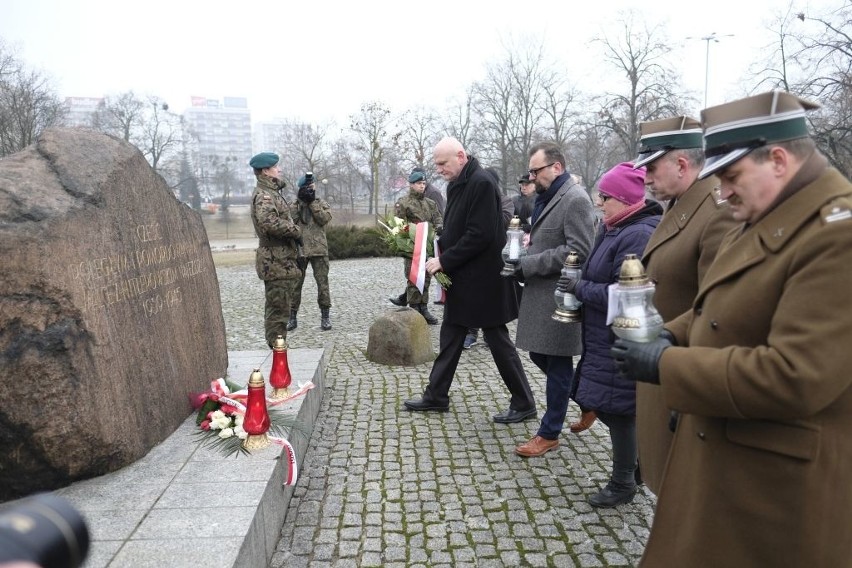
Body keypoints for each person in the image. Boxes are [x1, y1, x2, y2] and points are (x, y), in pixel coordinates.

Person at [611, 90, 852, 566]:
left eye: (731, 175)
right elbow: (718, 307)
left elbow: (796, 375)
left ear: (778, 160)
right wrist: (672, 334)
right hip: (734, 456)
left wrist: (667, 364)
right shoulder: (772, 212)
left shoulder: (836, 234)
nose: (722, 192)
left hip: (778, 488)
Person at [632, 115, 736, 495]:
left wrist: (688, 388)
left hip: (679, 375)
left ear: (681, 163)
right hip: (661, 368)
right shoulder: (680, 205)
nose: (644, 177)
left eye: (652, 167)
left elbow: (716, 313)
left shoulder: (715, 211)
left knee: (684, 494)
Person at [404, 137, 536, 423]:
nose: (438, 169)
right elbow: (458, 227)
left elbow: (481, 234)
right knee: (451, 335)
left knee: (497, 339)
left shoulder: (481, 183)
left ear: (461, 156)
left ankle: (524, 401)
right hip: (466, 278)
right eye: (436, 164)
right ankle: (436, 395)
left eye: (443, 163)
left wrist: (444, 260)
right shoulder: (458, 184)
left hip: (484, 281)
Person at [563, 162, 662, 507]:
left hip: (622, 336)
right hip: (603, 335)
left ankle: (624, 482)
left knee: (620, 411)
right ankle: (637, 467)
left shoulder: (637, 234)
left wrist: (580, 287)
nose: (599, 202)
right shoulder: (615, 227)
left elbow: (626, 296)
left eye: (605, 196)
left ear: (622, 198)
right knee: (609, 407)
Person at [510, 142, 596, 458]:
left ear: (557, 167)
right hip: (543, 294)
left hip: (559, 296)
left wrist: (531, 262)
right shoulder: (550, 197)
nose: (532, 177)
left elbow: (579, 251)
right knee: (538, 355)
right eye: (531, 171)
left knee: (557, 363)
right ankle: (587, 401)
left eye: (537, 170)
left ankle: (549, 433)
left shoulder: (575, 200)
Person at [248, 152, 301, 348]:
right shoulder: (264, 195)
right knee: (278, 310)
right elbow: (268, 221)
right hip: (275, 261)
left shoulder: (272, 192)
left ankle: (279, 349)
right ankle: (277, 354)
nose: (279, 170)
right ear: (265, 171)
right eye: (276, 167)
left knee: (281, 308)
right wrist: (295, 231)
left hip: (281, 260)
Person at [463, 167, 516, 349]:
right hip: (474, 256)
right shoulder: (473, 199)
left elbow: (503, 221)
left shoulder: (505, 201)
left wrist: (483, 215)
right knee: (472, 296)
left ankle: (490, 333)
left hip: (495, 257)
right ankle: (471, 331)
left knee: (492, 298)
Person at [390, 170, 443, 325]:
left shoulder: (430, 203)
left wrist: (439, 227)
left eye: (424, 183)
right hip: (411, 248)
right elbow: (398, 225)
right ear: (412, 185)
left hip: (428, 246)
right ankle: (414, 309)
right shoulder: (403, 202)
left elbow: (438, 218)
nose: (422, 186)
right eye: (419, 183)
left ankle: (423, 307)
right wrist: (411, 236)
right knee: (413, 277)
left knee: (426, 277)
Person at [288, 172, 333, 331]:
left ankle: (325, 316)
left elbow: (324, 219)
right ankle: (292, 316)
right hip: (300, 250)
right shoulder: (294, 205)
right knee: (295, 285)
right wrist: (301, 201)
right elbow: (289, 222)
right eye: (307, 187)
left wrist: (312, 202)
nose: (310, 189)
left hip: (319, 250)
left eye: (312, 187)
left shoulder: (321, 203)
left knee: (323, 284)